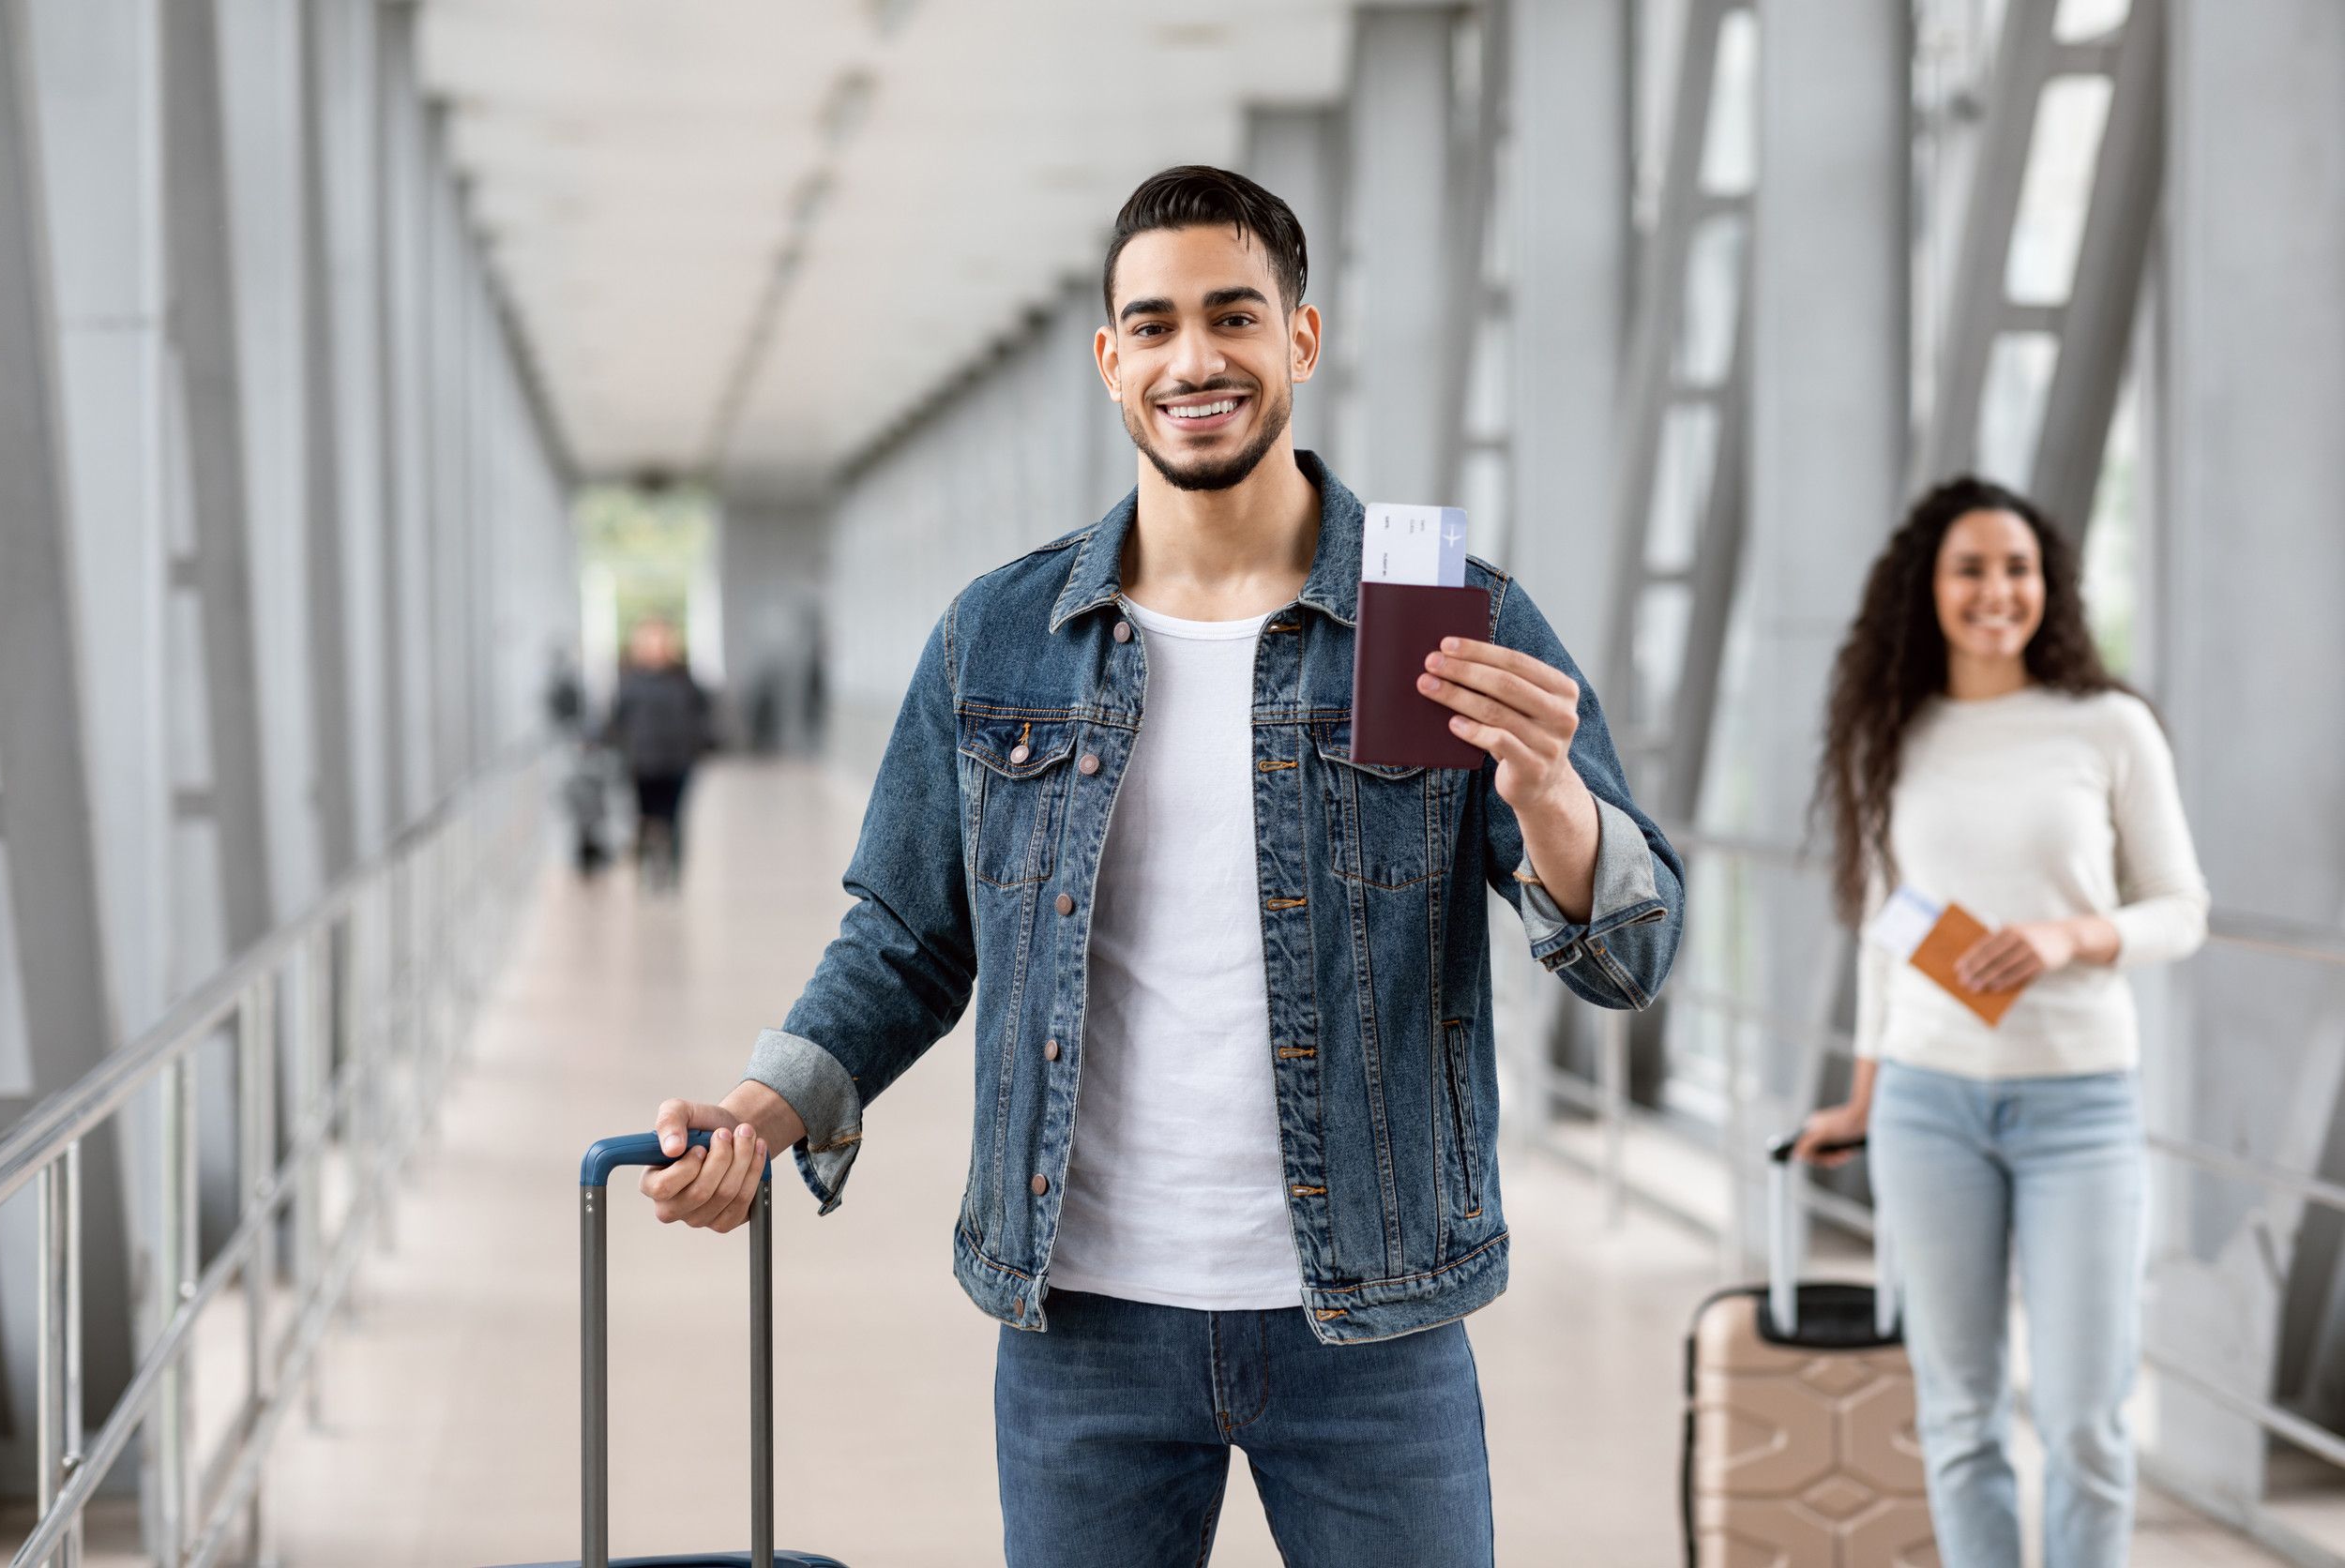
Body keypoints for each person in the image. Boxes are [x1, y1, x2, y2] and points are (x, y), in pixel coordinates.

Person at [640, 167, 1684, 1566]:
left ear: (1300, 342)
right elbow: (906, 940)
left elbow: (1631, 954)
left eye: (1233, 317)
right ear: (1110, 360)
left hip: (1374, 1319)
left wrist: (1547, 791)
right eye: (1155, 326)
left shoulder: (1446, 619)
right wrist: (767, 1110)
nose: (1194, 360)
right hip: (1085, 1328)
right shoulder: (1000, 636)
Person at [1793, 477, 2208, 1567]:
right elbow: (1889, 935)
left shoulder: (2109, 725)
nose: (1996, 590)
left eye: (2017, 567)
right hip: (1930, 1108)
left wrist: (2073, 936)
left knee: (2086, 1421)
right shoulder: (1893, 734)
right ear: (1927, 589)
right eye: (1970, 568)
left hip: (2081, 1103)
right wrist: (1866, 1098)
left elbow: (2182, 908)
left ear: (2049, 585)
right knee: (1960, 1416)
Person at [607, 618, 711, 889]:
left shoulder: (683, 679)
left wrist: (698, 744)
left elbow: (703, 711)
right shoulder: (630, 681)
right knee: (643, 819)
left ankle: (674, 876)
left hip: (678, 761)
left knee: (675, 819)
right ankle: (643, 873)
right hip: (642, 763)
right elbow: (615, 720)